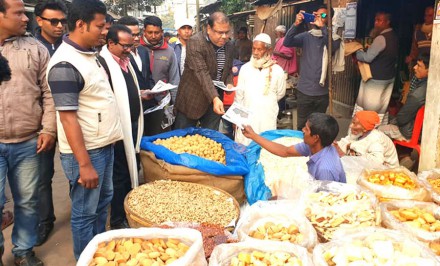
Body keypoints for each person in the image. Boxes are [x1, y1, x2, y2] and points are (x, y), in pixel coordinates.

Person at [47, 0, 123, 259]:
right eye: (101, 26)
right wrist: (84, 164)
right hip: (87, 153)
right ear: (80, 24)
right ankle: (85, 258)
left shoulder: (89, 54)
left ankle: (98, 255)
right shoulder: (65, 65)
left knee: (102, 204)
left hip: (102, 146)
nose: (105, 32)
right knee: (84, 212)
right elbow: (68, 119)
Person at [0, 0, 57, 264]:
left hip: (28, 142)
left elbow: (49, 94)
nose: (26, 18)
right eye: (19, 13)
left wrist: (48, 129)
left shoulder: (35, 49)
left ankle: (23, 252)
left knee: (27, 202)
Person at [99, 24, 144, 230]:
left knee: (131, 168)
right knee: (119, 175)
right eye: (125, 45)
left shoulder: (126, 61)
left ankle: (130, 208)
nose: (129, 49)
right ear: (110, 43)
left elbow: (128, 91)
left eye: (131, 44)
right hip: (118, 129)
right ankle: (118, 219)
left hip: (132, 124)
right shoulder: (103, 64)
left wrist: (142, 95)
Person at [33, 0, 68, 247]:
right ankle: (45, 221)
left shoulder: (70, 45)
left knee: (76, 171)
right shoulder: (30, 47)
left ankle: (84, 216)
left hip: (70, 119)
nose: (59, 26)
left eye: (62, 21)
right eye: (53, 21)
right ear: (39, 21)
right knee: (42, 176)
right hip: (42, 122)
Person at [242, 113, 346, 182]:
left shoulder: (325, 170)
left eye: (307, 129)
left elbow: (325, 205)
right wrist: (253, 135)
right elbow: (284, 151)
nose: (303, 130)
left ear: (315, 138)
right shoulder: (314, 146)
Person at [174, 12, 234, 130]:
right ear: (208, 29)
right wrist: (215, 98)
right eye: (219, 32)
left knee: (210, 140)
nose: (224, 36)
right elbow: (201, 72)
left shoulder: (230, 45)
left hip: (215, 103)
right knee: (182, 138)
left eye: (227, 32)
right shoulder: (195, 42)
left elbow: (228, 69)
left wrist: (229, 82)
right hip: (192, 100)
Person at [283, 6, 341, 129]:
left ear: (330, 19)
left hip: (322, 93)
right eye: (317, 15)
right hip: (305, 91)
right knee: (302, 127)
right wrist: (296, 24)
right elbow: (287, 42)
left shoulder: (333, 38)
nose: (319, 17)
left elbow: (331, 47)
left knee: (318, 127)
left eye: (323, 16)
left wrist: (324, 28)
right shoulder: (306, 36)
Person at [234, 33, 286, 146]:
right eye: (254, 48)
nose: (256, 52)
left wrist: (266, 102)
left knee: (266, 147)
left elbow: (280, 93)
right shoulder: (245, 68)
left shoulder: (277, 70)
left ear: (269, 50)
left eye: (259, 49)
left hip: (267, 116)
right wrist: (236, 119)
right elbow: (239, 96)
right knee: (244, 146)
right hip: (247, 117)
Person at [378, 54, 429, 169]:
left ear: (429, 71)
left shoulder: (418, 94)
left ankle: (387, 164)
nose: (415, 67)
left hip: (409, 131)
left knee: (378, 130)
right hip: (417, 129)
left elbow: (402, 118)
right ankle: (404, 156)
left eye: (419, 66)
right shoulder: (427, 85)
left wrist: (393, 121)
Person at [353, 11, 398, 124]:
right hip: (388, 77)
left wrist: (358, 51)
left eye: (380, 20)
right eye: (375, 20)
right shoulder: (394, 36)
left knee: (369, 108)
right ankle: (378, 129)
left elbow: (367, 58)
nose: (376, 23)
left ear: (387, 22)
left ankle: (365, 129)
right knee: (381, 107)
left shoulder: (381, 38)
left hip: (375, 79)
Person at [140, 16, 180, 135]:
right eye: (150, 32)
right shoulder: (136, 48)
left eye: (156, 33)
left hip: (161, 104)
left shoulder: (169, 51)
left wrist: (175, 104)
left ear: (162, 32)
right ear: (144, 32)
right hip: (140, 103)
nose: (153, 36)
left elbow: (174, 80)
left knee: (161, 137)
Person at [116, 16, 157, 123]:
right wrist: (138, 94)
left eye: (138, 34)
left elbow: (148, 76)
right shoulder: (117, 56)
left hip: (148, 108)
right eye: (132, 35)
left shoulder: (143, 51)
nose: (137, 38)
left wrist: (154, 91)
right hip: (129, 111)